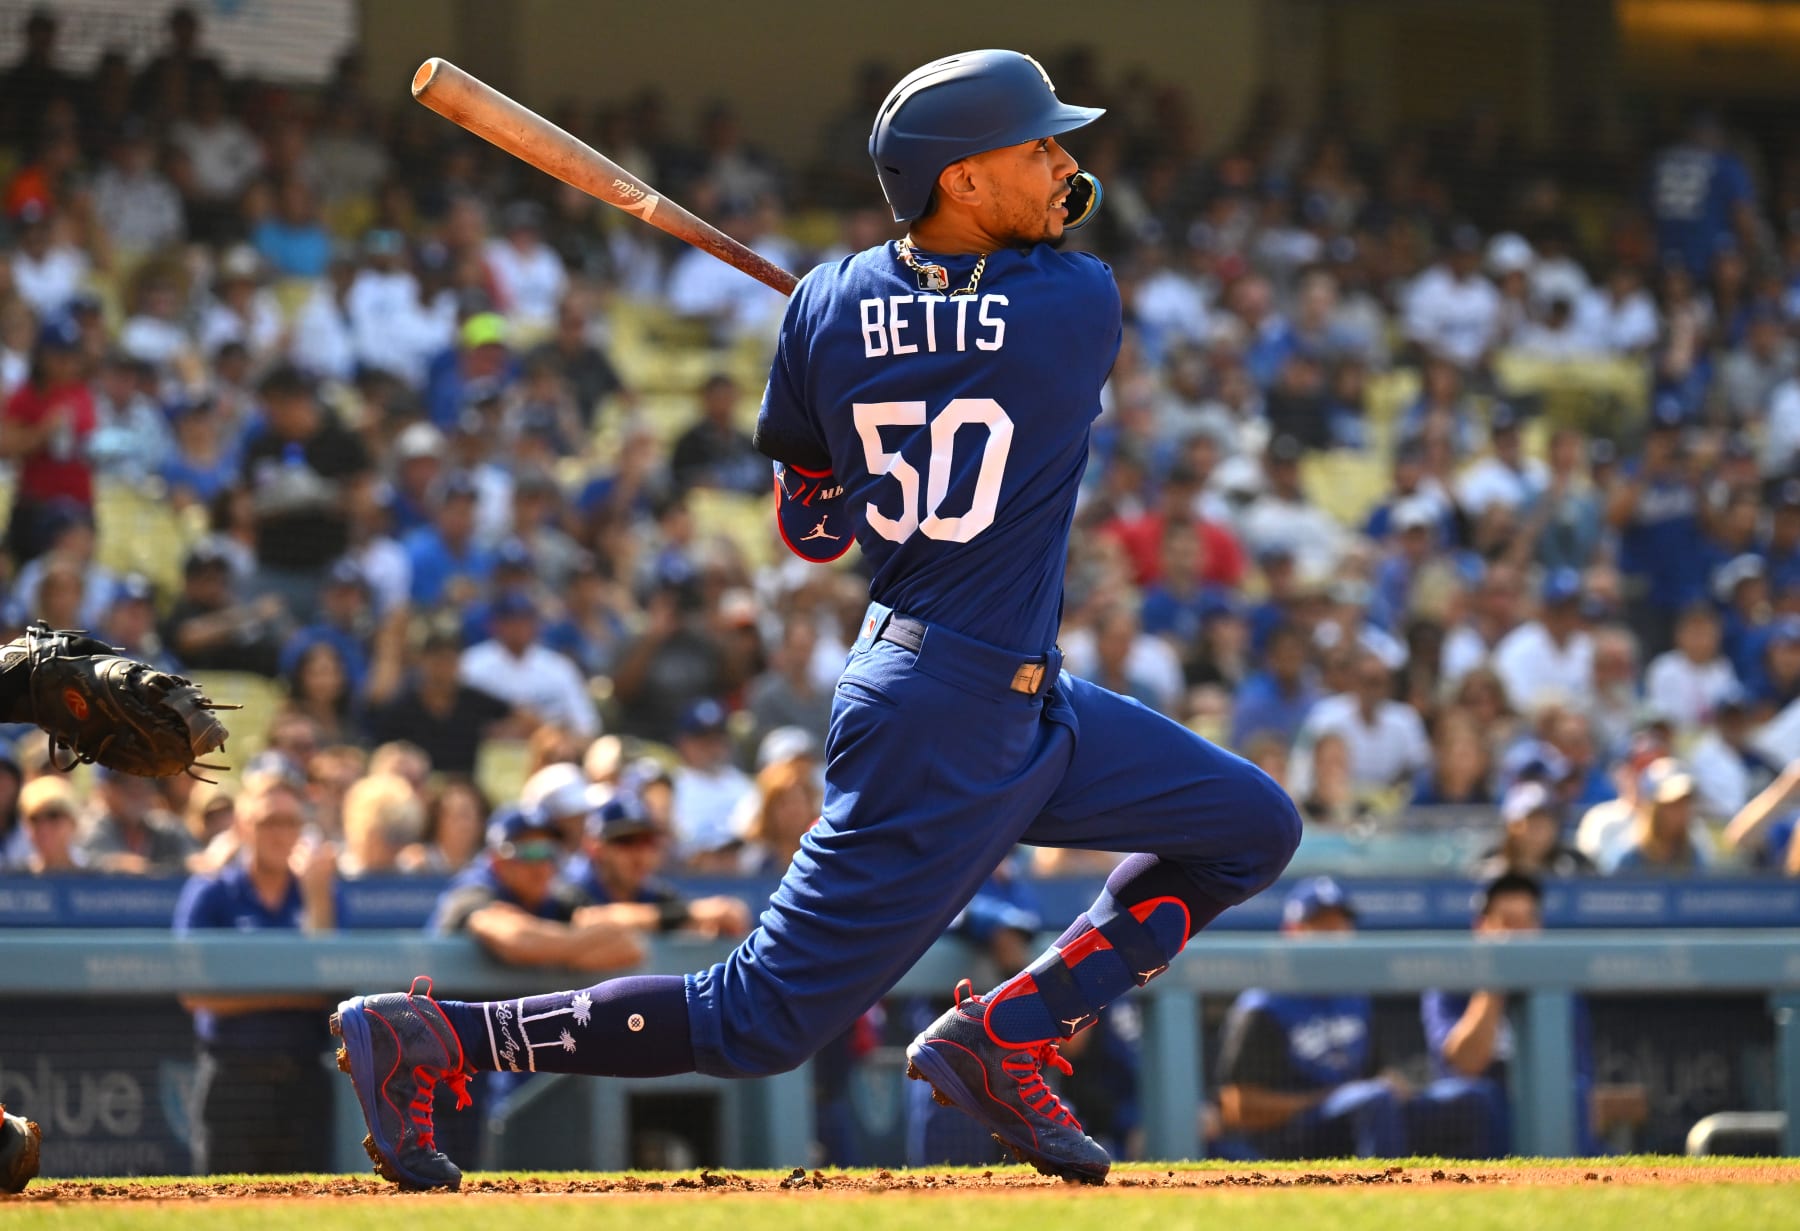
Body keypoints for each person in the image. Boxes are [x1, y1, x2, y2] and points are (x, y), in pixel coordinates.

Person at [331, 49, 1299, 1190]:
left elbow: (814, 531)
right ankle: (439, 1039)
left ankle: (1004, 1033)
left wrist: (848, 336)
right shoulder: (1077, 301)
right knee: (757, 1019)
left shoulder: (827, 308)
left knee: (1248, 823)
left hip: (998, 693)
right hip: (947, 720)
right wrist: (894, 327)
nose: (1063, 162)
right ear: (962, 182)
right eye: (1036, 144)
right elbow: (1049, 247)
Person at [1215, 878, 1492, 1159]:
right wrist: (1332, 1097)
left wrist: (1392, 1083)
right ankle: (1385, 1191)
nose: (1334, 935)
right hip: (1293, 1135)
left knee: (1468, 1098)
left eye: (1340, 925)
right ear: (1292, 932)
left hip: (1360, 1119)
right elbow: (1237, 1108)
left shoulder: (1355, 997)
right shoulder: (1263, 1006)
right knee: (1372, 1101)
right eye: (1322, 925)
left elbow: (1376, 1073)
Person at [172, 771, 338, 1174]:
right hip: (233, 1076)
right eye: (268, 823)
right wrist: (293, 990)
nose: (281, 835)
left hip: (305, 1078)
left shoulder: (319, 889)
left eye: (291, 823)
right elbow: (194, 994)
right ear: (244, 827)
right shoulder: (212, 890)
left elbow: (329, 989)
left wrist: (316, 899)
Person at [1421, 873, 1647, 1156]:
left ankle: (1565, 1187)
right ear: (1481, 927)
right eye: (1507, 922)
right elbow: (1466, 1065)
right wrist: (1495, 983)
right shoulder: (1451, 981)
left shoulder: (1558, 988)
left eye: (1526, 921)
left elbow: (1577, 1074)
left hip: (1539, 1103)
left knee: (1572, 1095)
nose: (1517, 934)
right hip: (1479, 1114)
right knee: (1472, 1099)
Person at [564, 791, 753, 938]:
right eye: (626, 842)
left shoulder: (654, 893)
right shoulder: (571, 890)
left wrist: (707, 925)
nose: (640, 854)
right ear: (595, 848)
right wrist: (693, 914)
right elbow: (591, 920)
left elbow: (706, 923)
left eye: (647, 841)